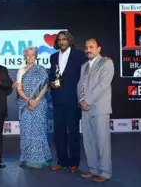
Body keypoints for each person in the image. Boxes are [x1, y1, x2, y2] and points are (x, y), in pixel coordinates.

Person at [49, 31, 87, 173]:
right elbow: (52, 76)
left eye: (64, 39)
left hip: (73, 100)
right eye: (59, 40)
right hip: (58, 100)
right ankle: (62, 161)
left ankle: (74, 163)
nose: (61, 42)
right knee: (59, 132)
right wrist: (52, 83)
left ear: (69, 40)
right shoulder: (53, 57)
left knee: (73, 132)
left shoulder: (79, 55)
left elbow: (87, 73)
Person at [77, 38, 114, 182]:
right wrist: (81, 100)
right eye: (86, 47)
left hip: (100, 108)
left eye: (91, 47)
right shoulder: (84, 66)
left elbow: (103, 86)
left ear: (99, 48)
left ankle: (104, 172)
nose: (88, 50)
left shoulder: (107, 63)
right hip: (85, 109)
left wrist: (88, 101)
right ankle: (93, 169)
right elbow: (80, 85)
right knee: (89, 141)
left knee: (102, 142)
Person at [16, 47, 52, 168]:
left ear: (36, 56)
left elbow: (45, 86)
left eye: (32, 55)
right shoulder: (21, 71)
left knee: (38, 131)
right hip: (25, 104)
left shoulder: (41, 70)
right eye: (28, 55)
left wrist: (36, 100)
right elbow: (19, 89)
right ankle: (27, 158)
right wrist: (29, 100)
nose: (30, 57)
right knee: (27, 131)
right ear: (24, 56)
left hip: (39, 104)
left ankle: (40, 158)